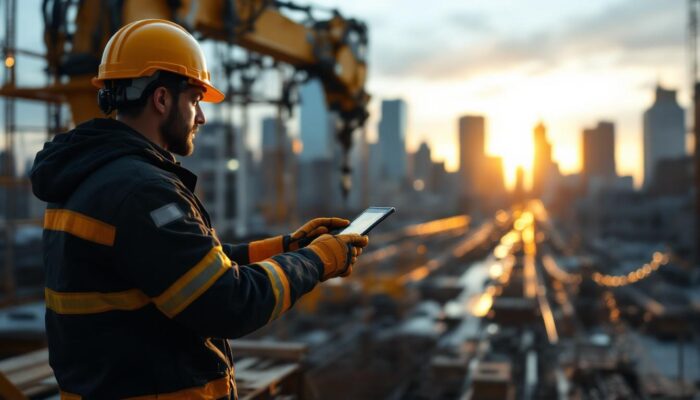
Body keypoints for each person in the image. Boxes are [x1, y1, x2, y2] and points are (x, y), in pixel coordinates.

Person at [30, 19, 369, 399]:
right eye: (194, 100)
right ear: (161, 99)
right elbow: (229, 304)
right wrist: (317, 261)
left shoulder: (87, 175)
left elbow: (172, 268)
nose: (201, 117)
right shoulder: (142, 191)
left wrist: (285, 247)